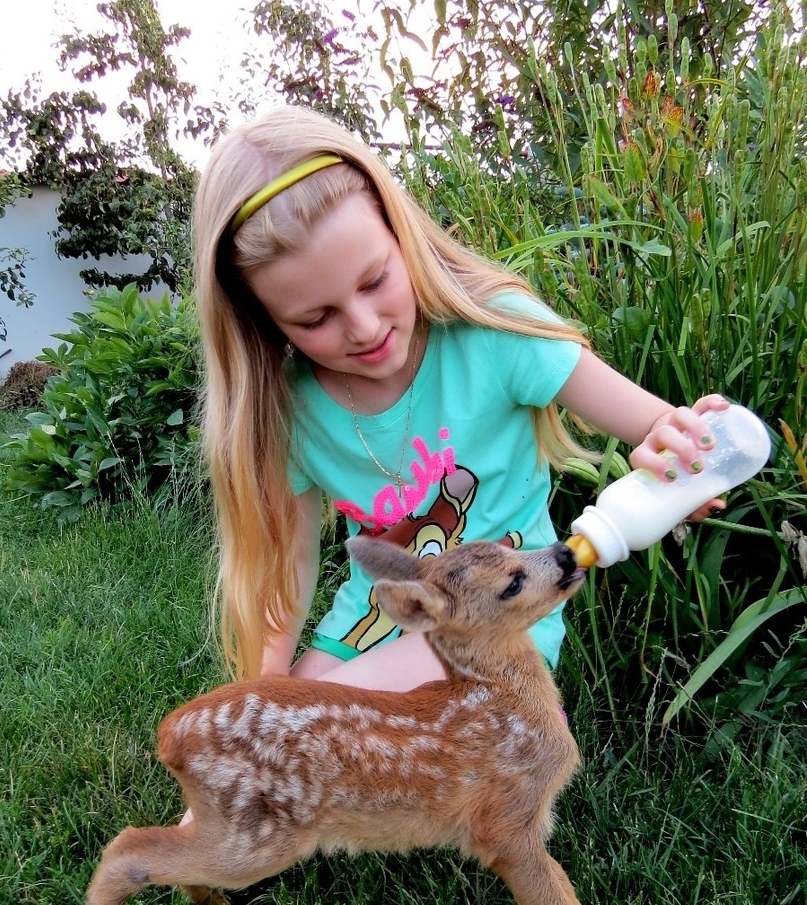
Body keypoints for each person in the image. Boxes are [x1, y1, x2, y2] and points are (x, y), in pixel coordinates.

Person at [192, 105, 727, 690]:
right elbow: (287, 573)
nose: (365, 327)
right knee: (285, 736)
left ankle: (509, 734)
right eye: (316, 318)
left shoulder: (495, 333)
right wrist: (263, 694)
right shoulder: (289, 415)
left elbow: (655, 425)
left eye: (374, 281)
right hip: (372, 624)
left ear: (401, 236)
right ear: (264, 322)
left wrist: (678, 455)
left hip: (497, 616)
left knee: (341, 730)